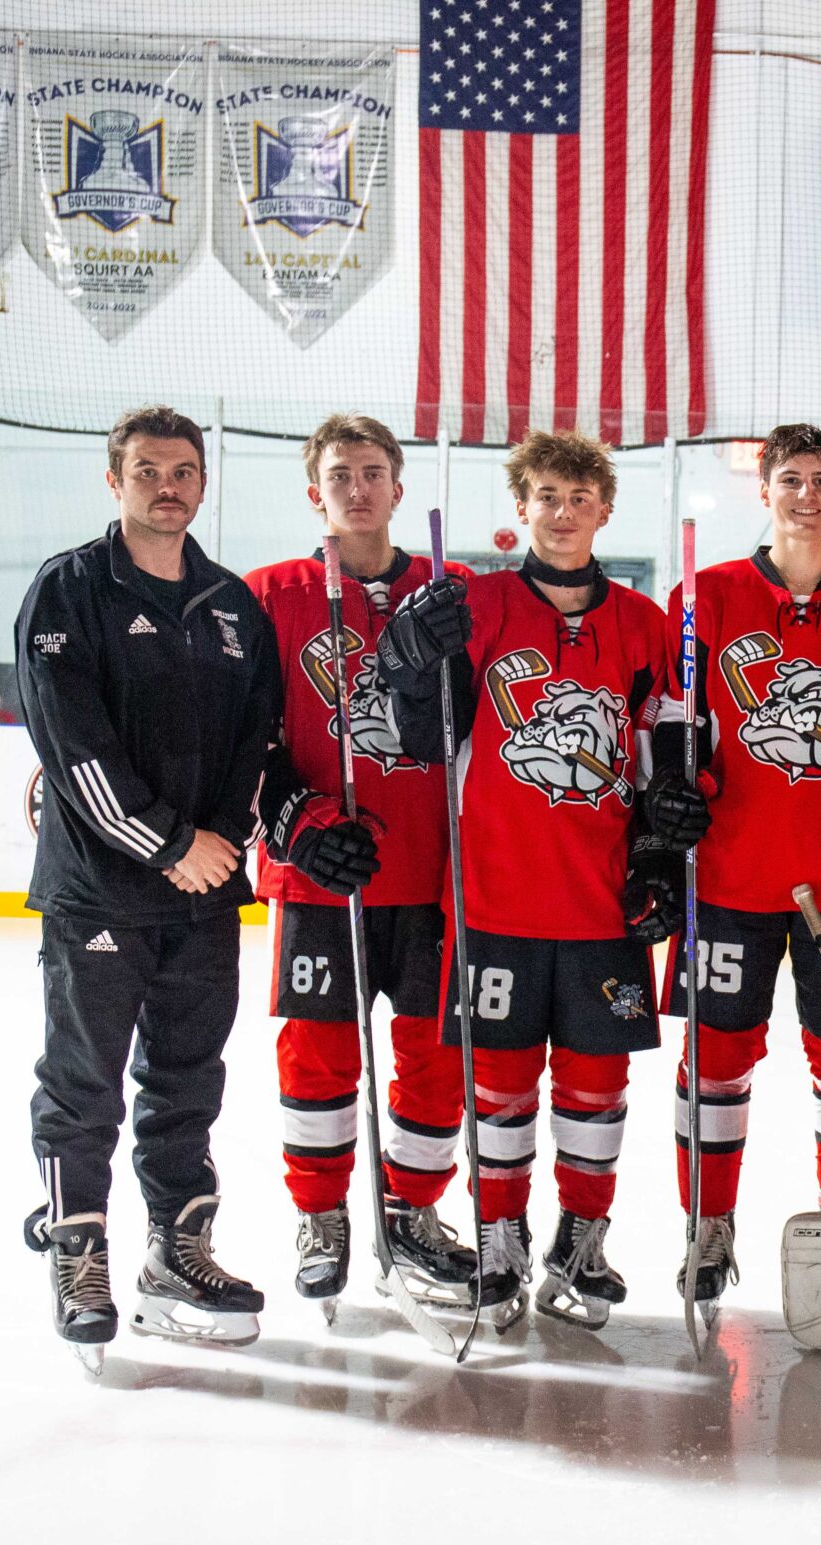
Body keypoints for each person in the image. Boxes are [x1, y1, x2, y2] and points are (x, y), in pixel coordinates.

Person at [374, 429, 701, 1327]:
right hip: (495, 899)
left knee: (597, 1089)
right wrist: (409, 662)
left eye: (580, 497)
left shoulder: (640, 622)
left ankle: (582, 1239)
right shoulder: (473, 604)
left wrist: (659, 849)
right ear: (522, 508)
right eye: (546, 496)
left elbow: (661, 760)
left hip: (600, 904)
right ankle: (500, 1234)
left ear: (605, 510)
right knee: (502, 1085)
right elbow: (420, 735)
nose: (563, 512)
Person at [16, 405, 281, 1360]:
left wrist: (236, 838)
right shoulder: (70, 591)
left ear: (203, 483)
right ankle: (77, 1244)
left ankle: (179, 1246)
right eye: (147, 470)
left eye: (183, 470)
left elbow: (259, 743)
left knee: (185, 1083)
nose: (167, 485)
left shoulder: (232, 606)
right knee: (83, 1082)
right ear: (114, 479)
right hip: (100, 891)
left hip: (205, 901)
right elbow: (73, 747)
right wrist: (170, 844)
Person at [655, 424, 821, 1303]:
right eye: (790, 479)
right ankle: (707, 1225)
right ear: (763, 491)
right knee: (719, 1057)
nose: (805, 494)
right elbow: (670, 725)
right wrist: (672, 798)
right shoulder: (705, 596)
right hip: (730, 877)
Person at [246, 414, 475, 1310]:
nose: (358, 486)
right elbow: (242, 746)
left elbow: (476, 726)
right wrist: (295, 822)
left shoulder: (448, 592)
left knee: (431, 1053)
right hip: (320, 874)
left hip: (429, 874)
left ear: (397, 487)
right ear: (317, 491)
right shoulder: (269, 593)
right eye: (340, 472)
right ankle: (322, 1213)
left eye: (373, 471)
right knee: (319, 1052)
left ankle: (411, 1209)